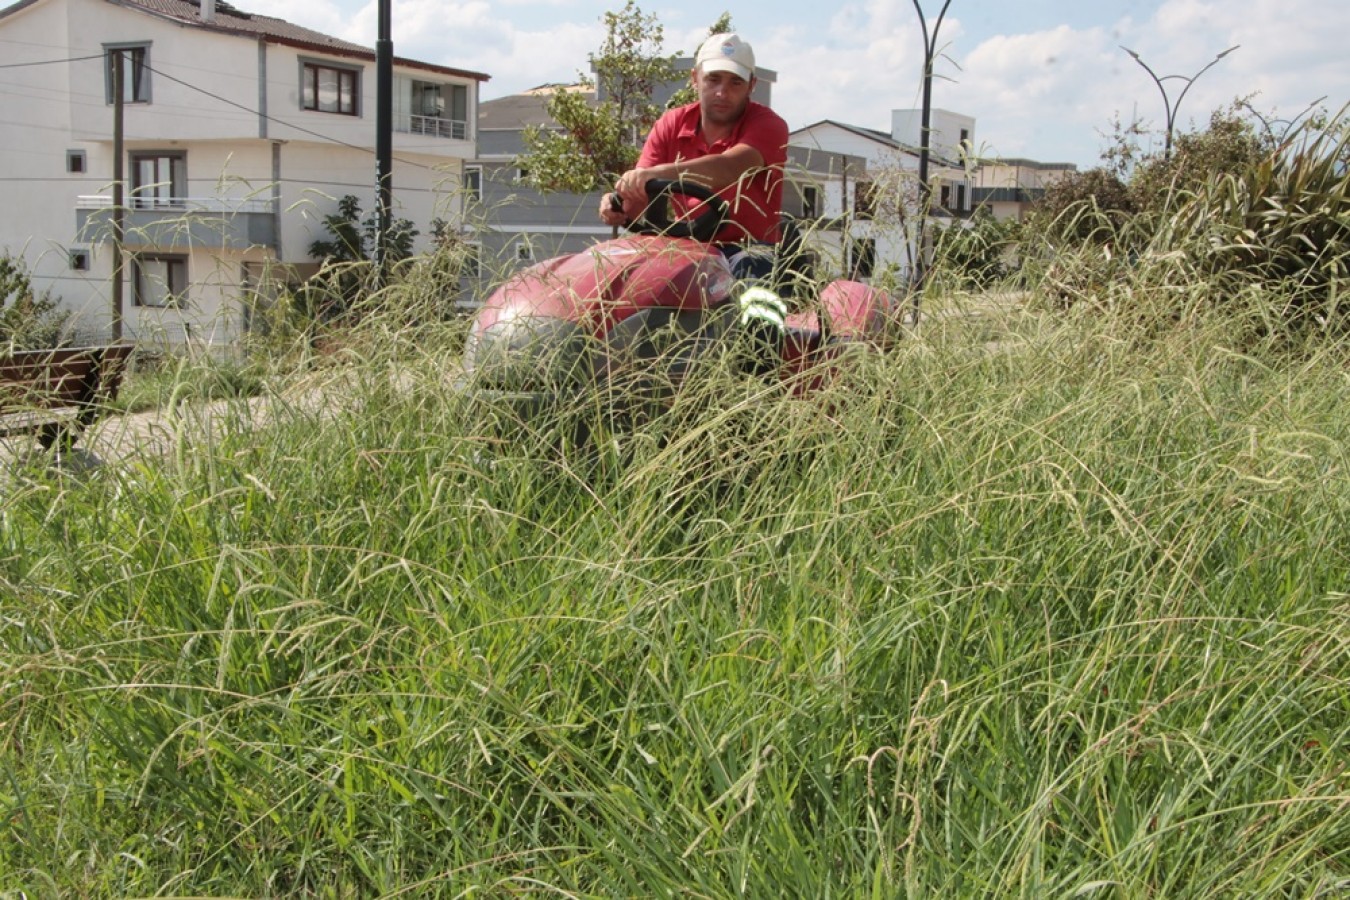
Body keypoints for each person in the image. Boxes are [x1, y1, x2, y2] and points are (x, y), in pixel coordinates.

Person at [600, 33, 791, 361]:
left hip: (745, 247)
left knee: (755, 291)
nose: (722, 92)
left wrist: (657, 174)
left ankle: (757, 378)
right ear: (695, 78)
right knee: (618, 284)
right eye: (713, 79)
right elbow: (638, 196)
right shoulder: (671, 124)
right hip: (680, 247)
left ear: (751, 85)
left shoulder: (768, 125)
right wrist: (617, 203)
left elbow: (732, 167)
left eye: (735, 83)